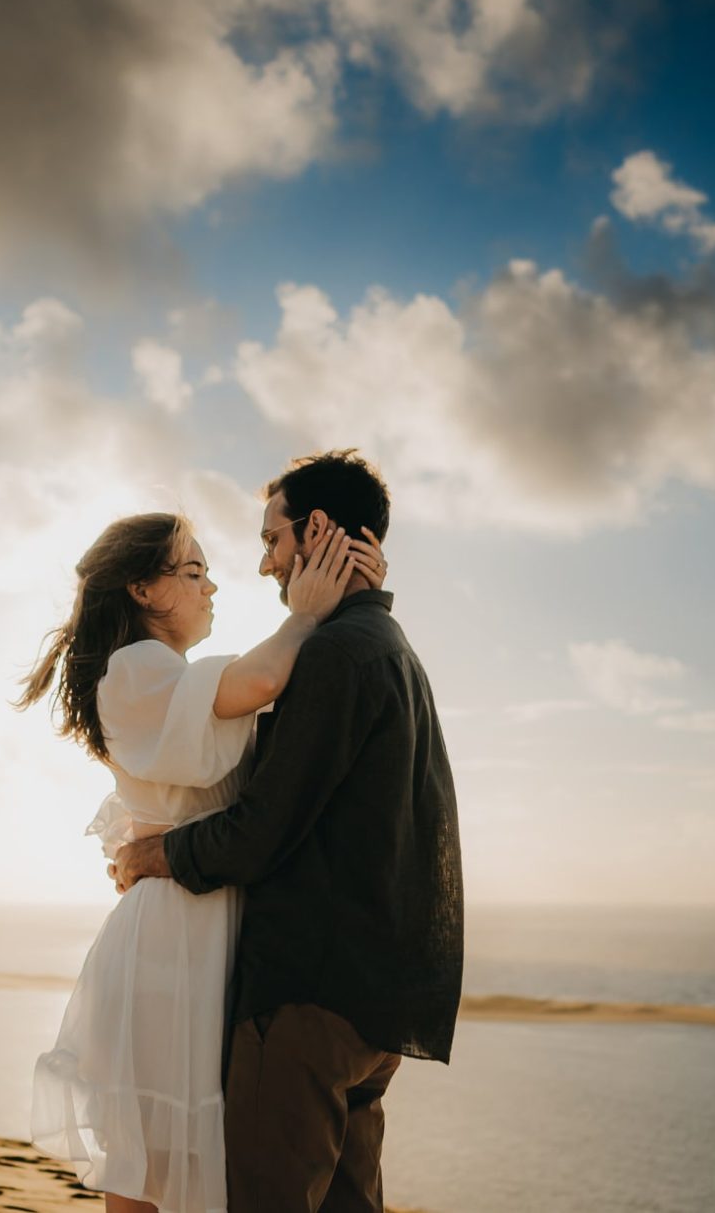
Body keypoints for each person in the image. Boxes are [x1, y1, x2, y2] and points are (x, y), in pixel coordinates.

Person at [111, 450, 462, 1213]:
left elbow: (262, 826)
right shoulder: (393, 651)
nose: (265, 563)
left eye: (273, 539)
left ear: (321, 533)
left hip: (310, 997)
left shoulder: (334, 654)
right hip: (376, 1002)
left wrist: (158, 850)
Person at [22, 506, 384, 1213]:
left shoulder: (166, 676)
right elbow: (257, 683)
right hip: (174, 938)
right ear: (142, 590)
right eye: (192, 572)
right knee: (152, 1158)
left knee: (173, 1154)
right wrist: (306, 615)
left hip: (199, 924)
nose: (212, 587)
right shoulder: (137, 666)